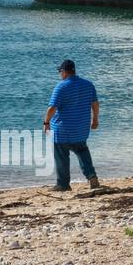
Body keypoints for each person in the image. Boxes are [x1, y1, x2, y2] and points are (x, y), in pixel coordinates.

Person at [44, 59, 100, 192]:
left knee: (61, 156)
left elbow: (52, 108)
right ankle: (92, 176)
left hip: (62, 131)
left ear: (64, 72)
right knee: (82, 152)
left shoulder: (61, 87)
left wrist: (46, 123)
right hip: (80, 129)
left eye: (60, 71)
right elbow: (95, 104)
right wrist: (95, 120)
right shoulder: (88, 85)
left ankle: (63, 184)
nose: (59, 74)